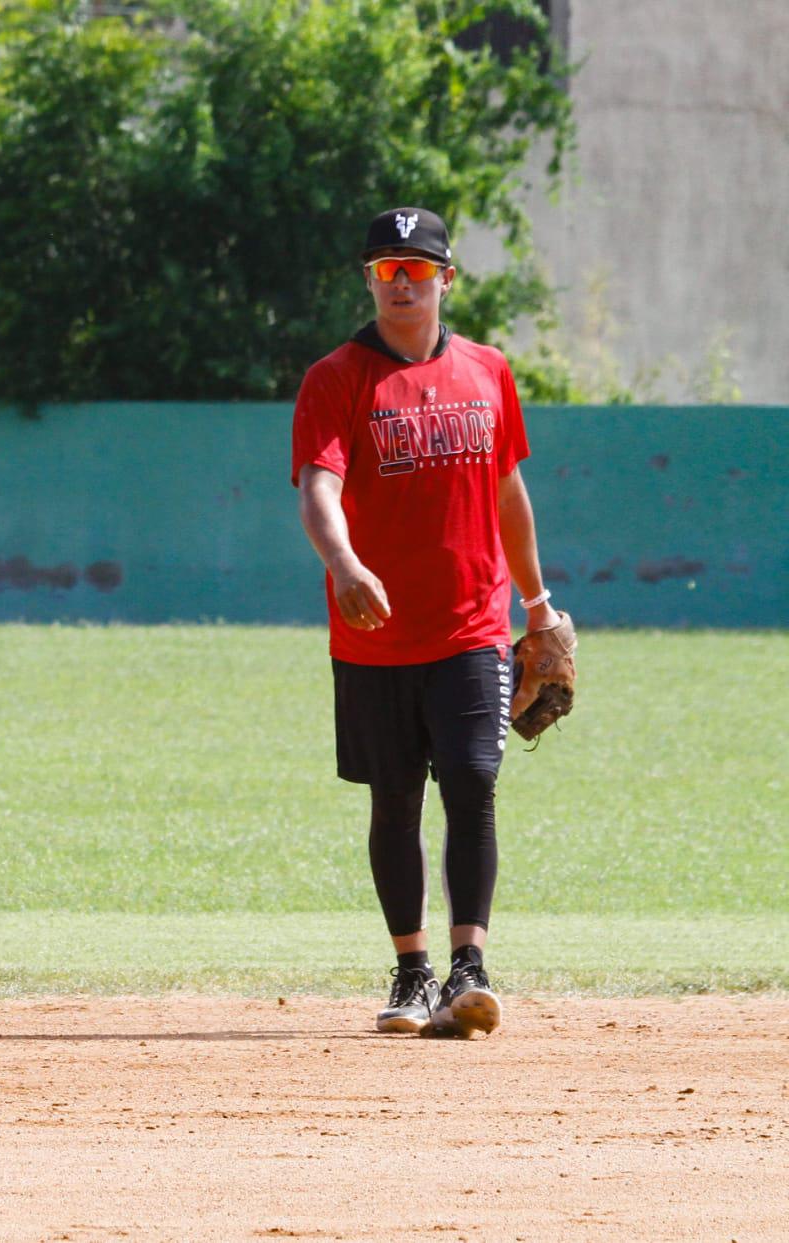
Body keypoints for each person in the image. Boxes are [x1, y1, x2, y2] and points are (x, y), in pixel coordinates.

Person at [290, 206, 565, 1038]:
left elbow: (508, 492)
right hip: (375, 634)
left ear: (447, 280)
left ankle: (468, 966)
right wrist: (344, 563)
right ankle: (412, 971)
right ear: (369, 280)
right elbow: (318, 489)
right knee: (396, 799)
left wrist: (539, 604)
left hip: (472, 627)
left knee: (475, 783)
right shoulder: (337, 378)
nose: (401, 282)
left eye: (417, 269)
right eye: (386, 269)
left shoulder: (488, 371)